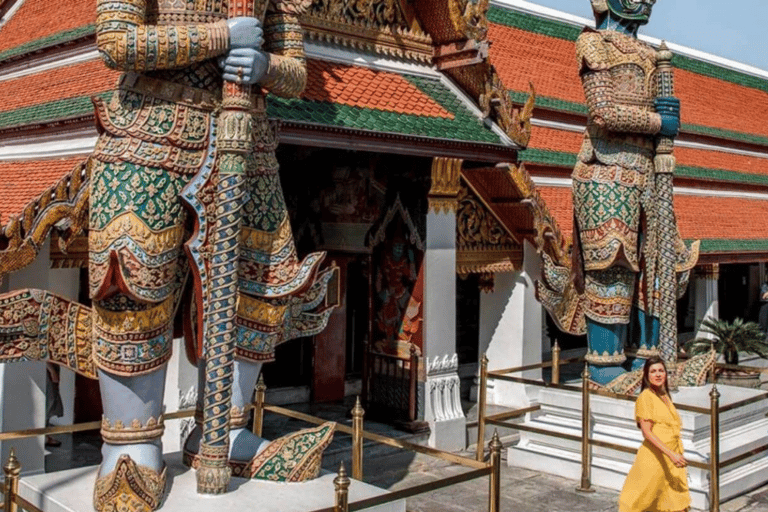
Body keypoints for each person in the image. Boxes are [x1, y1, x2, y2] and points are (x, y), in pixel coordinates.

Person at [619, 356, 691, 512]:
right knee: (639, 501)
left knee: (675, 501)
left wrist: (674, 455)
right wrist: (671, 454)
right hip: (655, 458)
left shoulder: (664, 396)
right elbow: (647, 432)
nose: (658, 375)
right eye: (653, 371)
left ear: (666, 373)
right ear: (647, 375)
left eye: (661, 370)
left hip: (670, 458)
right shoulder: (646, 397)